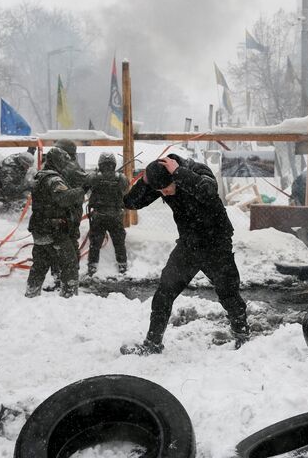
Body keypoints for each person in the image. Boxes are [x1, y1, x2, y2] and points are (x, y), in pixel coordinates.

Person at [120, 155, 249, 355]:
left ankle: (242, 336)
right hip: (189, 245)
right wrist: (145, 180)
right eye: (160, 191)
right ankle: (153, 343)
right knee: (164, 291)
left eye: (166, 188)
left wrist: (179, 173)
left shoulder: (197, 171)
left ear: (174, 173)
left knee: (228, 292)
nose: (165, 193)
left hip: (216, 243)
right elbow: (130, 203)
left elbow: (208, 192)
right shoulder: (162, 180)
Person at [24, 144, 86, 298]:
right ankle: (69, 298)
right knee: (70, 263)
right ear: (58, 161)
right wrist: (83, 190)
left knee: (40, 264)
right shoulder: (54, 179)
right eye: (64, 163)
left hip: (40, 227)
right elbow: (64, 199)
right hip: (54, 229)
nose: (66, 166)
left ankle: (31, 294)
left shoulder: (40, 175)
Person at [86, 152, 128, 276]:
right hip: (115, 216)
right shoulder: (121, 178)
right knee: (119, 242)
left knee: (95, 243)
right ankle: (122, 266)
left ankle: (92, 267)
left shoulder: (94, 177)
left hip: (99, 216)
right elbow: (125, 190)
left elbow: (88, 187)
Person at [0, 147, 36, 218]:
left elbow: (27, 157)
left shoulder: (20, 158)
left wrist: (32, 149)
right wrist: (27, 185)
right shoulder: (8, 170)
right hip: (3, 188)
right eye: (26, 166)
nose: (27, 168)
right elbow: (10, 189)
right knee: (17, 199)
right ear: (21, 163)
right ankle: (0, 216)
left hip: (14, 181)